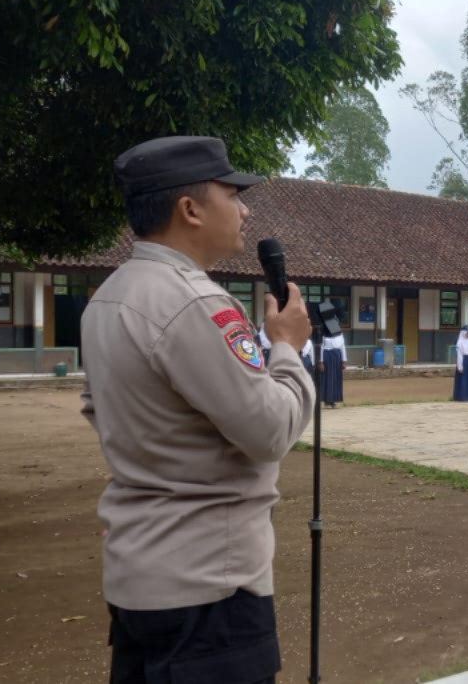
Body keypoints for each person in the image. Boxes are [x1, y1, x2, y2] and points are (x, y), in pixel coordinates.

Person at [81, 136, 315, 683]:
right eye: (232, 194)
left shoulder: (109, 297)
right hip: (209, 584)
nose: (245, 209)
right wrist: (285, 347)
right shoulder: (196, 300)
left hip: (140, 570)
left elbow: (101, 410)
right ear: (190, 209)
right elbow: (271, 430)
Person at [319, 302, 347, 408]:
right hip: (327, 357)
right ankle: (326, 400)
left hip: (337, 357)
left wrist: (344, 361)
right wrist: (321, 362)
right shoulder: (323, 334)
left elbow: (342, 347)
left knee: (336, 379)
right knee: (326, 379)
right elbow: (321, 348)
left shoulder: (339, 333)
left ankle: (334, 400)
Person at [454, 325, 468, 402]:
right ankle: (461, 397)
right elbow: (459, 355)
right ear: (463, 333)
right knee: (463, 380)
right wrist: (460, 367)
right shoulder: (460, 342)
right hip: (464, 361)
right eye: (467, 332)